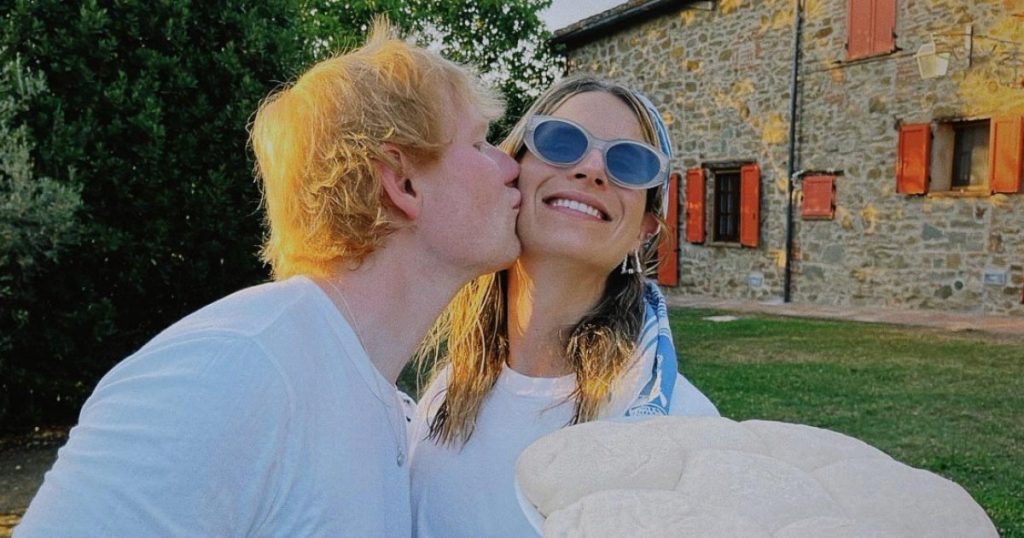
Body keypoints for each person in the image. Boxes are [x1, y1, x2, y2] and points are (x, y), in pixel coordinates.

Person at [15, 19, 520, 537]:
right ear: (403, 182)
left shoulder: (388, 410)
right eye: (480, 143)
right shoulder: (233, 369)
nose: (509, 167)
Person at [409, 75, 719, 537]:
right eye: (561, 141)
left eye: (630, 162)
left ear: (644, 230)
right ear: (512, 177)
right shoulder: (442, 397)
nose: (592, 169)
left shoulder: (685, 430)